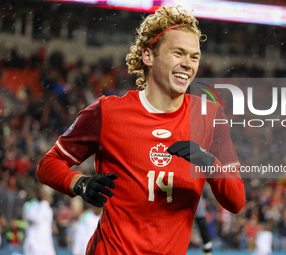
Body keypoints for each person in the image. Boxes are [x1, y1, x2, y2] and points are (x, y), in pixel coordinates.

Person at [37, 5, 245, 255]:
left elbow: (236, 201)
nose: (188, 64)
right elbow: (48, 164)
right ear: (148, 56)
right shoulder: (108, 112)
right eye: (178, 53)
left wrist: (208, 162)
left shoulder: (210, 116)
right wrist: (79, 184)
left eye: (194, 56)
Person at [22, 184, 56, 255]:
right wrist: (44, 202)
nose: (44, 193)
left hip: (47, 245)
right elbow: (37, 219)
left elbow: (47, 223)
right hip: (33, 245)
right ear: (36, 192)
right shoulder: (29, 205)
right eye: (42, 191)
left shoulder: (47, 207)